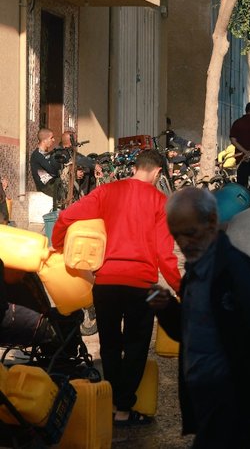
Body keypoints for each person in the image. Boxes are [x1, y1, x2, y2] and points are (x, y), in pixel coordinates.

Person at [151, 188, 250, 448]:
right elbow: (188, 332)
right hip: (207, 399)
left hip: (235, 397)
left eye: (191, 232)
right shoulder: (194, 273)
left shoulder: (235, 270)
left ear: (212, 223)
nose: (184, 242)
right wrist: (166, 307)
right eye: (177, 235)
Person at [52, 149, 181, 426]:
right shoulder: (160, 201)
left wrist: (58, 247)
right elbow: (165, 254)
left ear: (135, 167)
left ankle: (112, 404)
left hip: (106, 283)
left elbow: (65, 218)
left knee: (109, 345)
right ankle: (123, 408)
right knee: (136, 347)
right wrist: (179, 286)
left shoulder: (106, 192)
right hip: (142, 285)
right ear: (158, 172)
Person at [30, 127, 62, 203]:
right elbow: (53, 170)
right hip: (46, 186)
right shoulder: (37, 155)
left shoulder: (47, 154)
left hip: (53, 184)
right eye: (51, 138)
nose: (53, 140)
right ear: (44, 140)